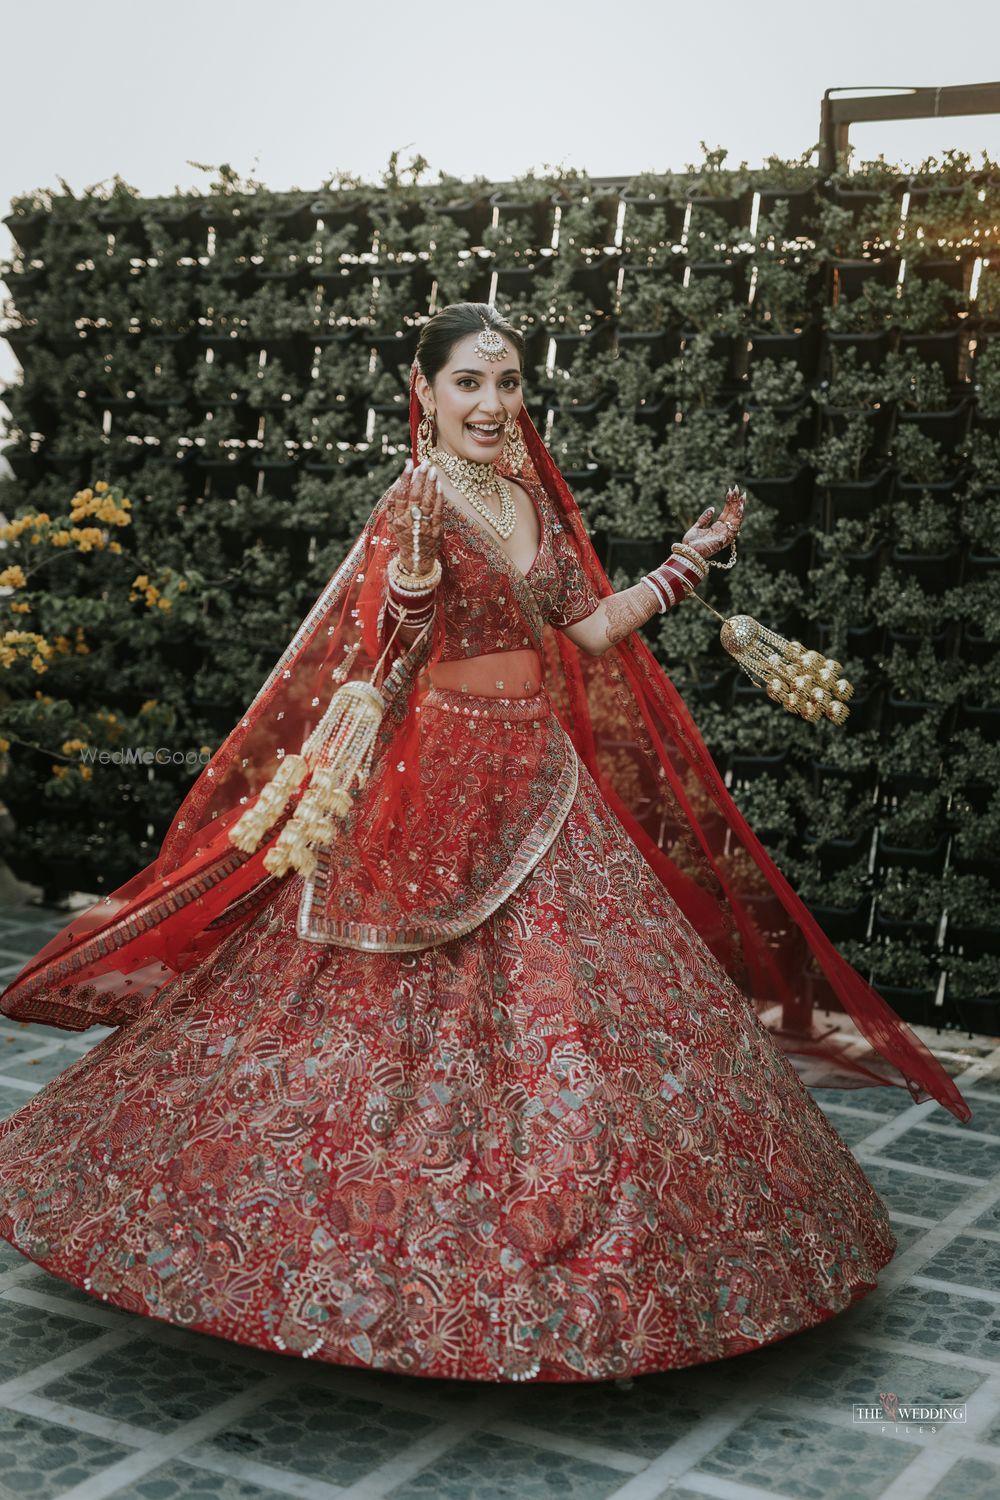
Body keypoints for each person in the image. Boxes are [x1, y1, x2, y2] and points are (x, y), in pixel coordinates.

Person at [0, 302, 971, 1385]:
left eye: (506, 384)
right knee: (364, 1019)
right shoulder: (413, 499)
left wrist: (688, 563)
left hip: (538, 777)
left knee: (597, 1004)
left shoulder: (522, 500)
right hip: (431, 785)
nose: (491, 403)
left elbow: (589, 629)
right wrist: (412, 574)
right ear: (423, 392)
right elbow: (389, 645)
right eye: (467, 382)